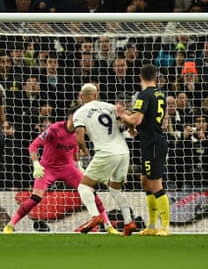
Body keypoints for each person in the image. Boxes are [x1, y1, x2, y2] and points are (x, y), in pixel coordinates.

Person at [3, 107, 118, 234]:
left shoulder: (79, 132)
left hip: (68, 168)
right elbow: (33, 146)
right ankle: (11, 224)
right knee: (36, 197)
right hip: (48, 168)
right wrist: (36, 163)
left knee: (91, 191)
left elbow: (74, 150)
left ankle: (108, 225)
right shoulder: (54, 129)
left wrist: (79, 166)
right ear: (70, 117)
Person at [72, 83, 137, 236]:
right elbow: (127, 120)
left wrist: (83, 151)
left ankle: (95, 216)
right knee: (115, 189)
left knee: (84, 187)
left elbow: (79, 137)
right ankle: (129, 222)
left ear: (81, 97)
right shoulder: (109, 107)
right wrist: (132, 129)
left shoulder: (79, 113)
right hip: (123, 151)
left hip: (106, 153)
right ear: (96, 95)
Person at [115, 64, 170, 236]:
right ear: (155, 77)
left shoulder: (143, 95)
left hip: (153, 143)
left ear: (140, 77)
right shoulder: (161, 94)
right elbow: (154, 120)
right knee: (145, 181)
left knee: (155, 183)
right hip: (150, 141)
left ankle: (165, 227)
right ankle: (152, 226)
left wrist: (122, 114)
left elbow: (137, 119)